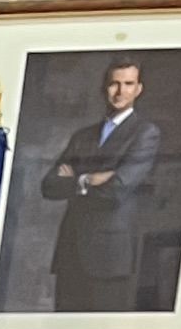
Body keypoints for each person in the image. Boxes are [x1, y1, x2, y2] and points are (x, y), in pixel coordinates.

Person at [40, 57, 164, 313]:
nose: (120, 92)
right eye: (114, 84)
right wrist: (87, 179)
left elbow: (117, 190)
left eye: (128, 84)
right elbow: (49, 186)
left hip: (110, 258)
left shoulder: (145, 133)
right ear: (104, 87)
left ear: (138, 89)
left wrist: (74, 180)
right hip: (71, 252)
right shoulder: (82, 136)